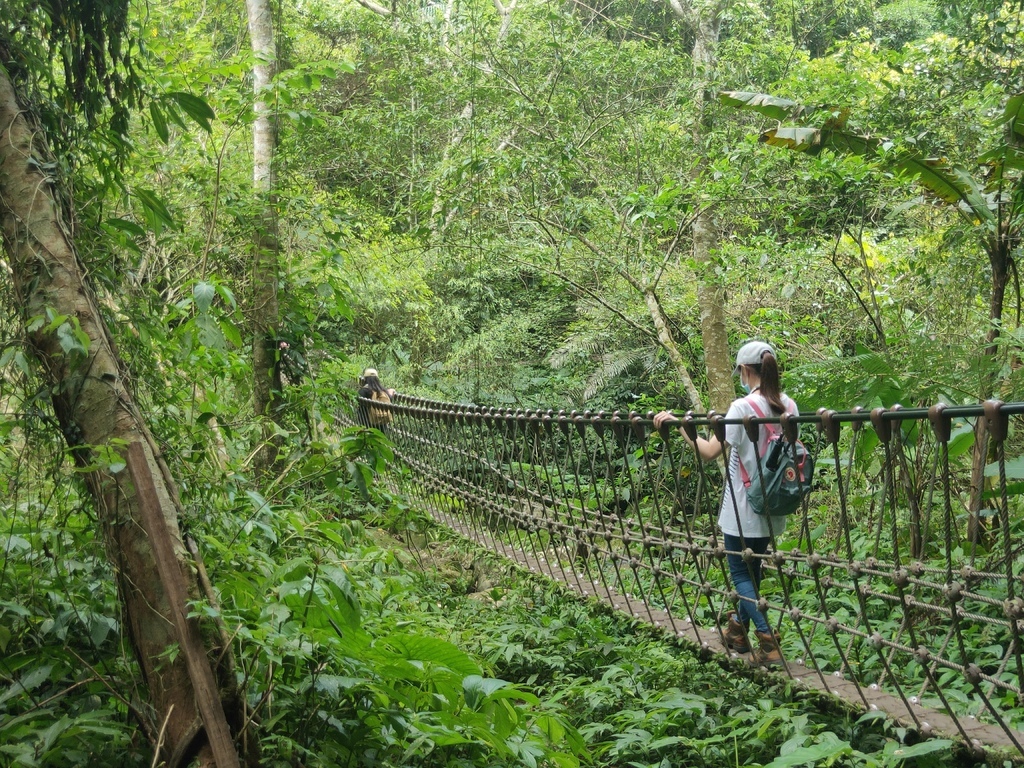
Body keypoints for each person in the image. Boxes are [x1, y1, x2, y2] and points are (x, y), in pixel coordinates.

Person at [653, 340, 797, 667]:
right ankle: (736, 629)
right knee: (753, 568)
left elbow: (708, 452)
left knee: (740, 572)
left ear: (746, 371)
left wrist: (681, 428)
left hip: (743, 505)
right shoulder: (790, 405)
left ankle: (767, 639)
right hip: (775, 503)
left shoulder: (741, 407)